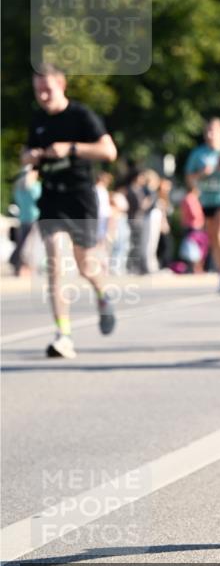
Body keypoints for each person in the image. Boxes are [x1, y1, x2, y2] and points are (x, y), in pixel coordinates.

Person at [22, 64, 117, 359]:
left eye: (48, 88)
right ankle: (63, 335)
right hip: (52, 200)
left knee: (86, 264)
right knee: (55, 261)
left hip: (80, 199)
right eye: (39, 90)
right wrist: (31, 159)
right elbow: (26, 155)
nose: (44, 94)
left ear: (62, 84)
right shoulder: (38, 121)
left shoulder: (81, 115)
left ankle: (103, 295)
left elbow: (109, 151)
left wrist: (71, 149)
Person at [185, 118, 220, 296]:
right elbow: (189, 180)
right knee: (214, 238)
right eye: (207, 131)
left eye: (213, 131)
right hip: (207, 202)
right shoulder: (198, 153)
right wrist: (201, 173)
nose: (209, 134)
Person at [9, 167, 41, 276]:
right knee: (30, 246)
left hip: (22, 219)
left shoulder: (18, 188)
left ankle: (19, 267)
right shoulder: (35, 187)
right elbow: (40, 200)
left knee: (22, 244)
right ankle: (27, 269)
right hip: (35, 219)